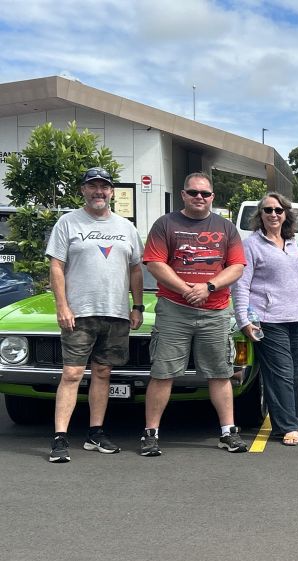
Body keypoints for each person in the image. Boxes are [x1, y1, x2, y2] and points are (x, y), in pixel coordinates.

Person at [141, 172, 247, 456]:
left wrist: (208, 286)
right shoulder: (166, 224)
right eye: (193, 192)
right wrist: (188, 289)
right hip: (174, 311)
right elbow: (154, 263)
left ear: (212, 197)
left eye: (205, 194)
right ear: (183, 195)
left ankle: (228, 433)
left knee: (220, 373)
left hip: (215, 312)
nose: (199, 197)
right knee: (163, 372)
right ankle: (150, 434)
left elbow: (236, 266)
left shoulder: (226, 228)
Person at [44, 167, 144, 463]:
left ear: (112, 192)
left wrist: (137, 305)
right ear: (83, 190)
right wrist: (62, 305)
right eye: (93, 186)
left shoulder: (126, 227)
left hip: (115, 313)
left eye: (104, 187)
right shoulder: (68, 222)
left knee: (103, 372)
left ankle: (95, 433)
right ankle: (60, 437)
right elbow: (56, 266)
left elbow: (136, 268)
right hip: (80, 312)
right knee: (72, 373)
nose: (99, 191)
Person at [232, 193, 298, 447]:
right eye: (268, 210)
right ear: (261, 215)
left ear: (286, 214)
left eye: (278, 210)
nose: (274, 214)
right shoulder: (252, 244)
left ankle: (292, 420)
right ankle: (286, 426)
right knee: (281, 374)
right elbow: (241, 284)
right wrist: (243, 318)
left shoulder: (291, 242)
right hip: (269, 319)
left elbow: (297, 276)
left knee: (296, 373)